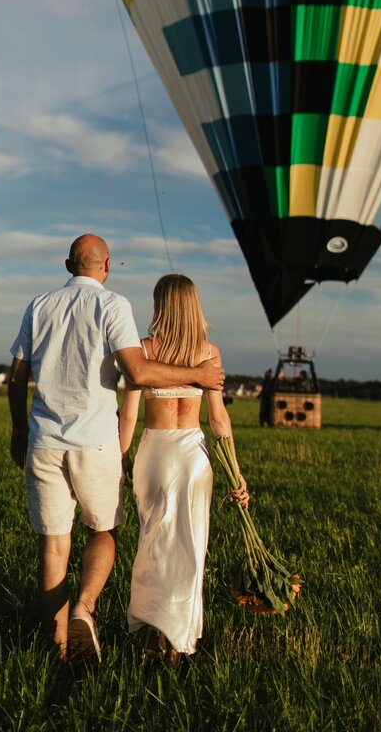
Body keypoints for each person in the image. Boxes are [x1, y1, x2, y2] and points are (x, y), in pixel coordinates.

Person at [8, 235, 225, 666]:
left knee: (53, 545)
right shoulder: (113, 306)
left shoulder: (38, 305)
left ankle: (60, 648)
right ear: (106, 265)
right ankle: (85, 607)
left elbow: (16, 377)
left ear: (68, 264)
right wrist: (198, 375)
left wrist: (18, 431)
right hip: (95, 440)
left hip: (44, 441)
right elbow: (138, 371)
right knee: (102, 531)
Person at [118, 274, 249, 663]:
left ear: (160, 306)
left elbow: (128, 418)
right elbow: (219, 420)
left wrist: (120, 460)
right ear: (194, 305)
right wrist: (235, 474)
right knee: (191, 549)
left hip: (155, 455)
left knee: (153, 545)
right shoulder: (209, 353)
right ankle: (178, 641)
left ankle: (150, 632)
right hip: (194, 457)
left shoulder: (143, 350)